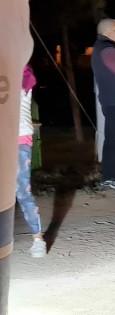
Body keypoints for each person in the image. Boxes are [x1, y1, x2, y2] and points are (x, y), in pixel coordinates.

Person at [92, 18, 115, 189]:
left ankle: (109, 176)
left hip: (111, 100)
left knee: (113, 139)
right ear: (106, 31)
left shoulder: (102, 48)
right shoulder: (108, 49)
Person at [16, 65, 46, 257]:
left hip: (19, 139)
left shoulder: (23, 72)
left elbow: (28, 80)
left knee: (22, 191)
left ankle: (38, 239)